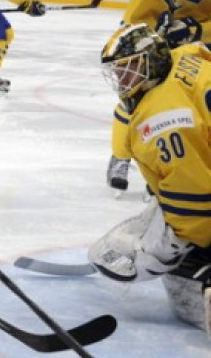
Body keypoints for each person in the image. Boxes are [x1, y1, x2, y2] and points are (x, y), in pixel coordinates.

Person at [90, 23, 211, 331]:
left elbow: (196, 211)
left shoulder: (163, 119)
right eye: (118, 71)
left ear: (151, 61)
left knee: (185, 287)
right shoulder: (185, 56)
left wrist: (156, 256)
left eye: (129, 69)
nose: (121, 79)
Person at [105, 0, 211, 191]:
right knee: (133, 94)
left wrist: (195, 30)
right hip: (143, 27)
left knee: (184, 101)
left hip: (194, 39)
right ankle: (121, 155)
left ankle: (169, 164)